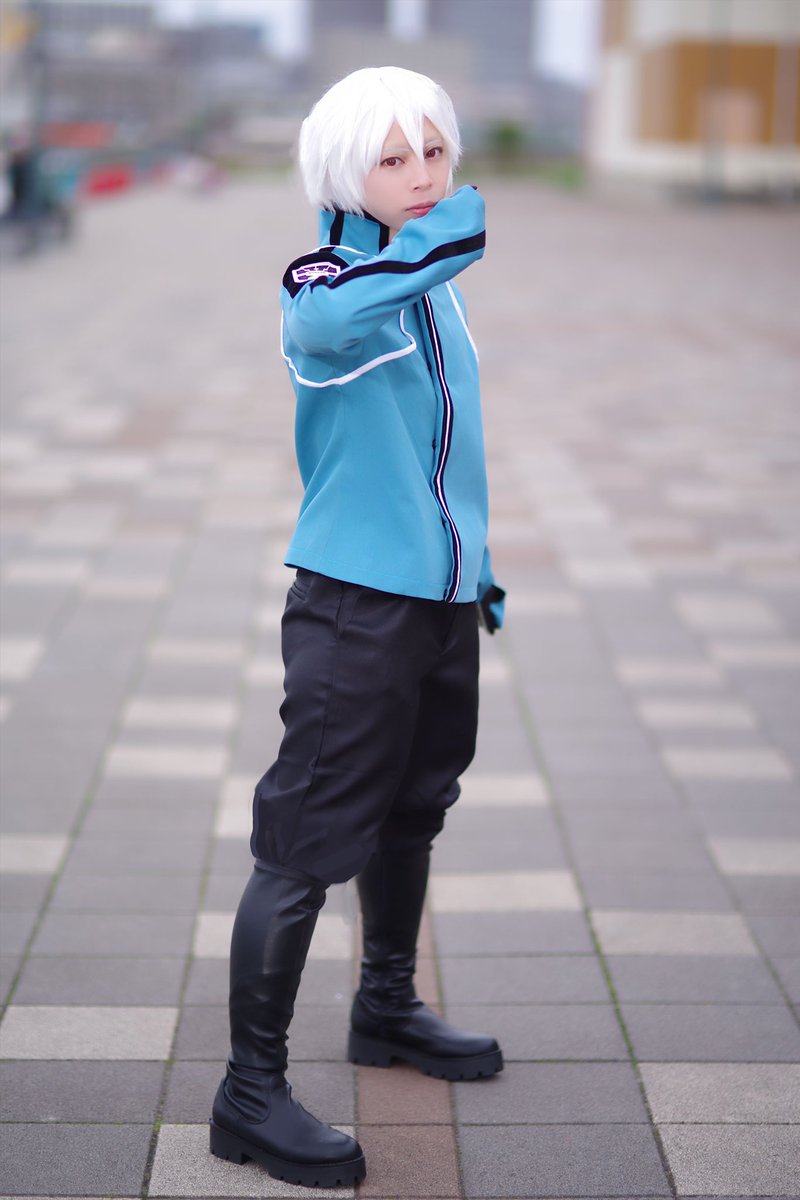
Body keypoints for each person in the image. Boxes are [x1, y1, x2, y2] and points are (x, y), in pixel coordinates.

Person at [209, 65, 506, 1190]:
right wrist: (444, 233)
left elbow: (441, 447)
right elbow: (331, 317)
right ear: (344, 171)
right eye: (393, 157)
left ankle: (384, 1009)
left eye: (435, 151)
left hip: (439, 602)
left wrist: (476, 572)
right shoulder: (326, 277)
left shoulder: (426, 287)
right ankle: (248, 1093)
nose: (424, 175)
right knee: (305, 842)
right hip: (352, 608)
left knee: (414, 809)